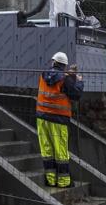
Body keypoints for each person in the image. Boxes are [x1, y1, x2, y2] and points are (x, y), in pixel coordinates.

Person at [36, 52, 84, 188]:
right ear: (64, 65)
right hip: (58, 119)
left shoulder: (43, 74)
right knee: (61, 151)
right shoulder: (64, 78)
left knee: (47, 150)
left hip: (41, 117)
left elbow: (54, 82)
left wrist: (69, 76)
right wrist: (79, 80)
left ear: (53, 62)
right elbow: (76, 94)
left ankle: (50, 180)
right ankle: (63, 182)